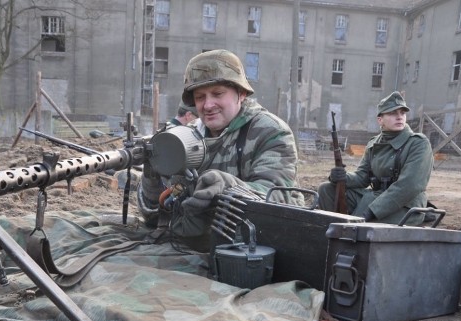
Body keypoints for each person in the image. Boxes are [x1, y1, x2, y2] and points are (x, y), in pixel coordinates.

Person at [138, 49, 302, 249]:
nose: (207, 105)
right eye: (199, 97)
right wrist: (152, 175)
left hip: (253, 249)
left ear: (240, 94)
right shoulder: (187, 138)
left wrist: (227, 187)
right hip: (194, 245)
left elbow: (276, 199)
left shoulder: (270, 133)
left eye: (217, 94)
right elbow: (155, 216)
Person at [317, 91, 433, 225]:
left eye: (402, 113)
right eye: (392, 113)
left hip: (404, 204)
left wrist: (371, 211)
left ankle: (346, 234)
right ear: (380, 120)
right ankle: (329, 233)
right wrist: (340, 177)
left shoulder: (418, 143)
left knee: (357, 223)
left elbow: (409, 186)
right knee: (326, 189)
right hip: (377, 196)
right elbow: (362, 177)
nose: (399, 117)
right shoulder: (374, 143)